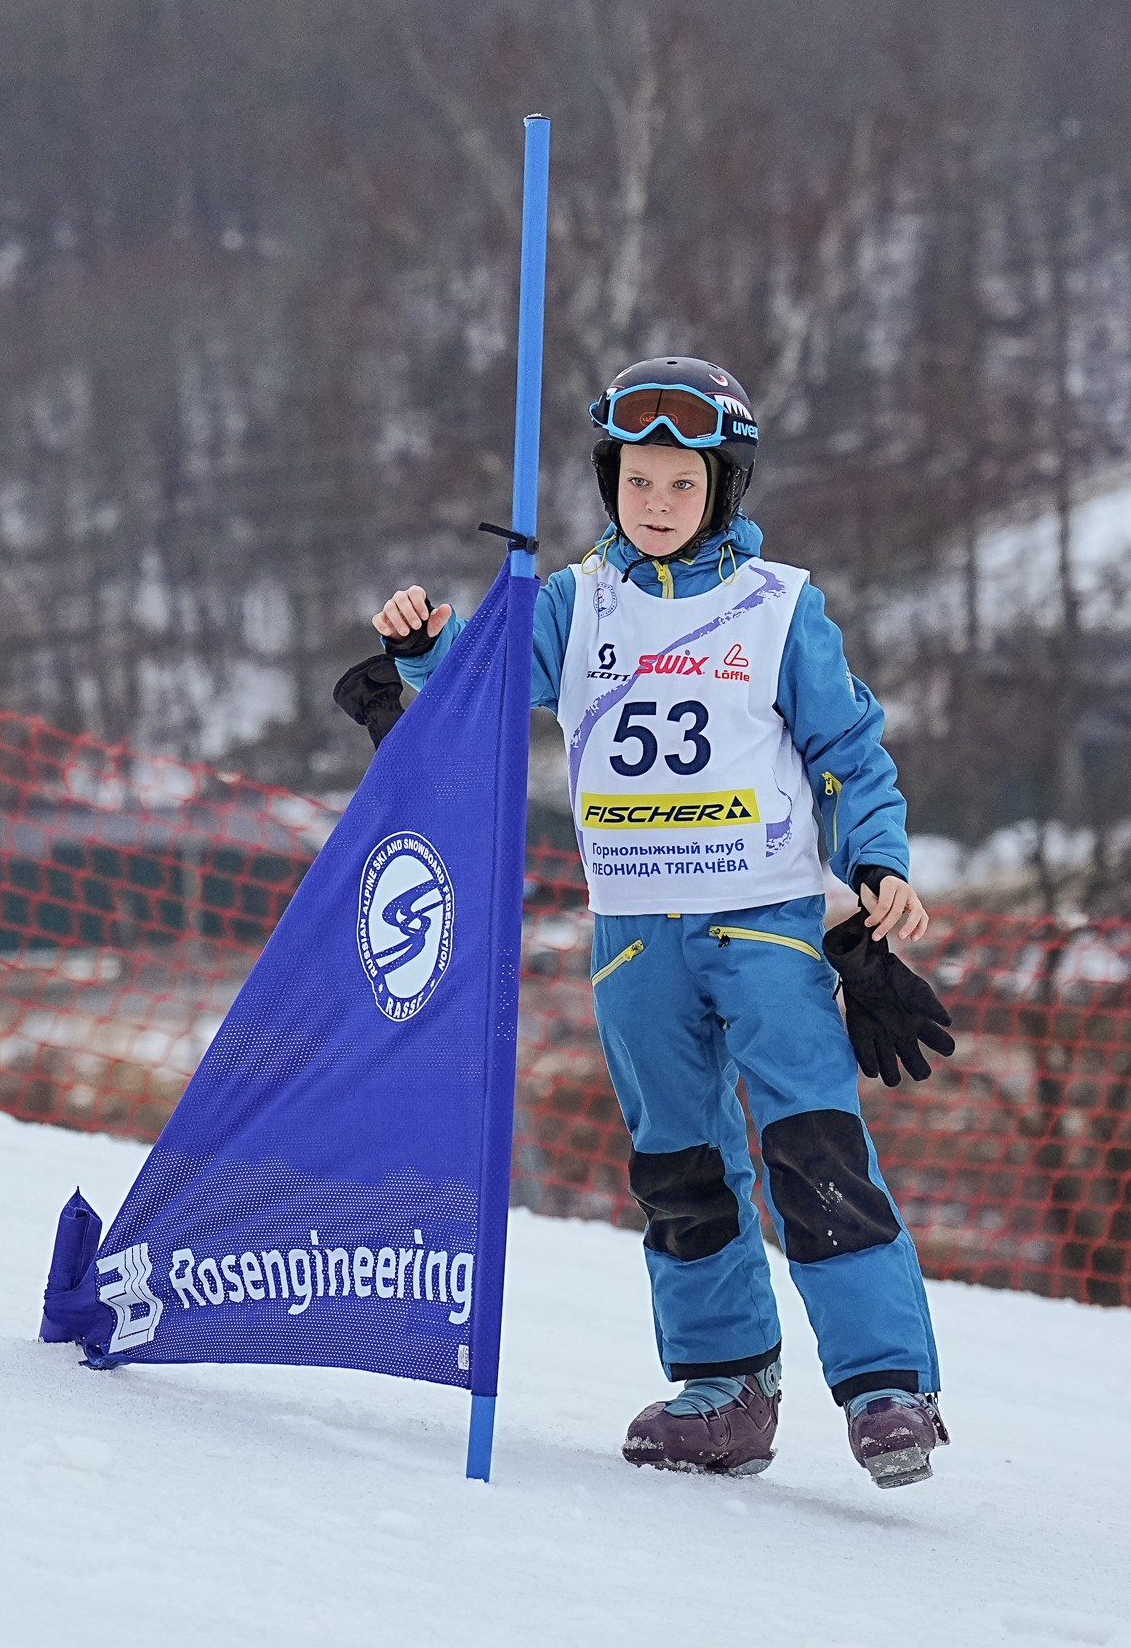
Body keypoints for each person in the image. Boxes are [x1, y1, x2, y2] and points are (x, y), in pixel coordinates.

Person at [369, 357, 956, 1487]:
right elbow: (477, 689)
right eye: (636, 482)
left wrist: (875, 862)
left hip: (766, 922)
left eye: (679, 486)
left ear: (721, 490)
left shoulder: (779, 604)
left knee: (813, 1149)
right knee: (680, 1167)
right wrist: (419, 646)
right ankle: (726, 1384)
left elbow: (845, 751)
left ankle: (886, 1389)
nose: (653, 505)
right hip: (635, 934)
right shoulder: (573, 604)